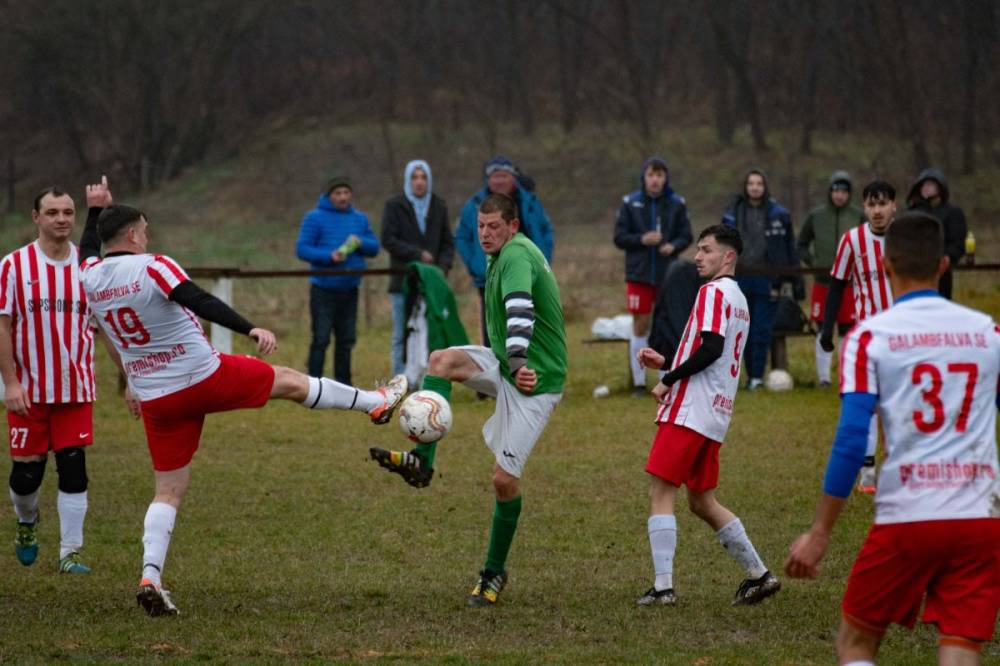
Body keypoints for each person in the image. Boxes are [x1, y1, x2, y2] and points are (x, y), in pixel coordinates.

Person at [78, 178, 406, 616]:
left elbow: (87, 250)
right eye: (145, 230)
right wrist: (249, 328)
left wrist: (94, 210)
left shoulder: (89, 276)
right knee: (289, 381)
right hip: (202, 376)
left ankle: (150, 576)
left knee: (168, 491)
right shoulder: (154, 266)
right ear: (135, 234)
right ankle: (375, 402)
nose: (148, 237)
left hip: (157, 397)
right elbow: (198, 299)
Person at [785, 212, 1000, 666]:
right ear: (943, 265)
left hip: (908, 516)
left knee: (856, 643)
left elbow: (851, 439)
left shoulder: (869, 339)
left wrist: (820, 533)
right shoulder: (989, 334)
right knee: (960, 651)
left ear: (886, 266)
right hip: (980, 520)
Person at [371, 192, 566, 608]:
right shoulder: (499, 255)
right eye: (480, 226)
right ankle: (422, 462)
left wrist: (518, 362)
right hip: (508, 363)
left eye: (494, 226)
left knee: (503, 481)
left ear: (513, 226)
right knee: (440, 361)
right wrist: (511, 360)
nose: (485, 234)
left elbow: (520, 309)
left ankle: (493, 572)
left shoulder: (516, 255)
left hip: (535, 380)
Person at [633, 224, 781, 608]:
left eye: (706, 250)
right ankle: (760, 574)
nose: (698, 257)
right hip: (715, 413)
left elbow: (712, 348)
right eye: (698, 250)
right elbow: (712, 353)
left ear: (728, 256)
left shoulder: (712, 292)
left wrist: (668, 379)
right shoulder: (739, 299)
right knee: (701, 502)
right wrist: (668, 361)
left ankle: (663, 588)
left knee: (661, 491)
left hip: (690, 410)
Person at [0, 185, 122, 575]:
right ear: (36, 217)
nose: (62, 219)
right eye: (52, 212)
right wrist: (10, 383)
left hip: (75, 388)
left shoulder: (89, 269)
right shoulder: (14, 266)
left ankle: (70, 552)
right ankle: (27, 522)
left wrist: (130, 380)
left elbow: (107, 329)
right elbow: (3, 327)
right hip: (28, 390)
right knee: (26, 478)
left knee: (74, 469)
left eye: (68, 212)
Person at [820, 181, 897, 494]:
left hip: (903, 334)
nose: (877, 210)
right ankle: (867, 470)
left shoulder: (905, 238)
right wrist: (827, 328)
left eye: (883, 203)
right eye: (871, 204)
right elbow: (837, 284)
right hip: (869, 335)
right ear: (864, 207)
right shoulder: (852, 240)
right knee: (868, 402)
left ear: (894, 206)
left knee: (899, 401)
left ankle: (898, 463)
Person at [455, 155, 553, 349]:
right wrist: (475, 265)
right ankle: (497, 366)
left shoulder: (529, 201)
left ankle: (528, 364)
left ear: (513, 177)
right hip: (489, 278)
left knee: (527, 326)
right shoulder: (474, 204)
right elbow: (461, 236)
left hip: (527, 274)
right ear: (488, 179)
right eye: (495, 176)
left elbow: (545, 230)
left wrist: (543, 260)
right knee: (493, 332)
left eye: (504, 176)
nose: (499, 181)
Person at [614, 156, 692, 396]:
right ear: (644, 177)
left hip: (669, 275)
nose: (655, 180)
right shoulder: (630, 203)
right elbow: (619, 237)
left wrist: (673, 246)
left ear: (665, 178)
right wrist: (641, 239)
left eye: (659, 175)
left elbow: (687, 235)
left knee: (666, 324)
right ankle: (639, 383)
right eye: (651, 175)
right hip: (639, 274)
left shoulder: (677, 203)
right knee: (641, 324)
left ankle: (665, 380)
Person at [296, 175, 379, 384]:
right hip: (323, 288)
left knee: (346, 340)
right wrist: (329, 256)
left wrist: (361, 242)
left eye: (346, 193)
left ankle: (344, 385)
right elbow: (302, 249)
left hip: (350, 288)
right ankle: (313, 385)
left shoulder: (359, 218)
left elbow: (375, 248)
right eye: (337, 193)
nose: (342, 197)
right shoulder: (314, 217)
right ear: (328, 195)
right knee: (321, 338)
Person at [722, 169, 797, 391]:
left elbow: (788, 249)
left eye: (759, 183)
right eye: (751, 183)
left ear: (764, 187)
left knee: (761, 330)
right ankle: (741, 376)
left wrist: (784, 280)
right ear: (746, 187)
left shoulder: (778, 213)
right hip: (740, 278)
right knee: (741, 329)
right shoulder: (733, 211)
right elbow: (722, 244)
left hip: (767, 279)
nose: (755, 187)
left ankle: (756, 377)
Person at [380, 160, 454, 376]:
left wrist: (442, 267)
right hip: (403, 280)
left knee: (431, 330)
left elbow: (447, 242)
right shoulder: (395, 205)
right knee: (401, 333)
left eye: (423, 177)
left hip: (431, 282)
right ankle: (400, 379)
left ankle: (428, 377)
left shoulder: (439, 206)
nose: (419, 182)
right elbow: (388, 239)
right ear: (408, 180)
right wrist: (416, 254)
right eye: (414, 177)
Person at [797, 171, 862, 387]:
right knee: (822, 329)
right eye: (836, 191)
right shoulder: (816, 216)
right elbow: (801, 244)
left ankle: (846, 375)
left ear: (849, 194)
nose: (839, 195)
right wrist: (813, 262)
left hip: (849, 284)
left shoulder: (858, 216)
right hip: (823, 283)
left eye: (844, 191)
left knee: (847, 330)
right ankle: (824, 378)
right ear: (830, 192)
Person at [906, 168, 967, 300]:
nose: (926, 188)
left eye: (931, 184)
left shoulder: (952, 212)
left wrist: (947, 258)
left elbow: (957, 243)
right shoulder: (912, 213)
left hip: (941, 271)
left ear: (940, 187)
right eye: (924, 185)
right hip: (914, 270)